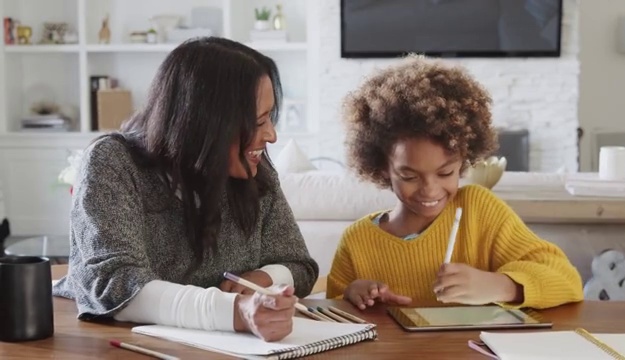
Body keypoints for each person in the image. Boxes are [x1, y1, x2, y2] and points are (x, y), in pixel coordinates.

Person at [53, 37, 319, 342]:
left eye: (269, 118)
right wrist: (236, 311)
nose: (271, 136)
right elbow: (113, 284)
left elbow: (300, 266)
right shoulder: (113, 163)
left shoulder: (254, 169)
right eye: (258, 122)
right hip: (119, 344)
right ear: (205, 123)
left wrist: (263, 280)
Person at [326, 55, 583, 310]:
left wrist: (500, 285)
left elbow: (567, 280)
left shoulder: (478, 210)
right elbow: (332, 313)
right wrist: (352, 294)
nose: (430, 189)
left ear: (463, 161)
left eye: (445, 172)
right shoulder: (356, 241)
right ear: (383, 168)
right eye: (409, 176)